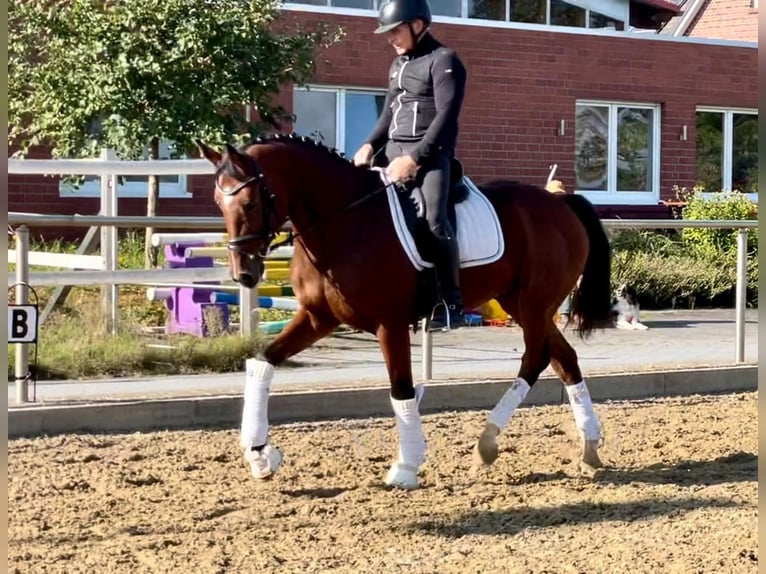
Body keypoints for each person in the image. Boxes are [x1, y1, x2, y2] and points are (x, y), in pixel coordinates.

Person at [353, 0, 468, 331]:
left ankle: (451, 303)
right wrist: (368, 144)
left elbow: (446, 117)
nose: (391, 39)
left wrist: (414, 158)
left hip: (432, 156)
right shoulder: (398, 64)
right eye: (387, 33)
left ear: (418, 25)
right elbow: (389, 113)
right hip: (392, 153)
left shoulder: (444, 60)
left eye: (396, 31)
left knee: (434, 220)